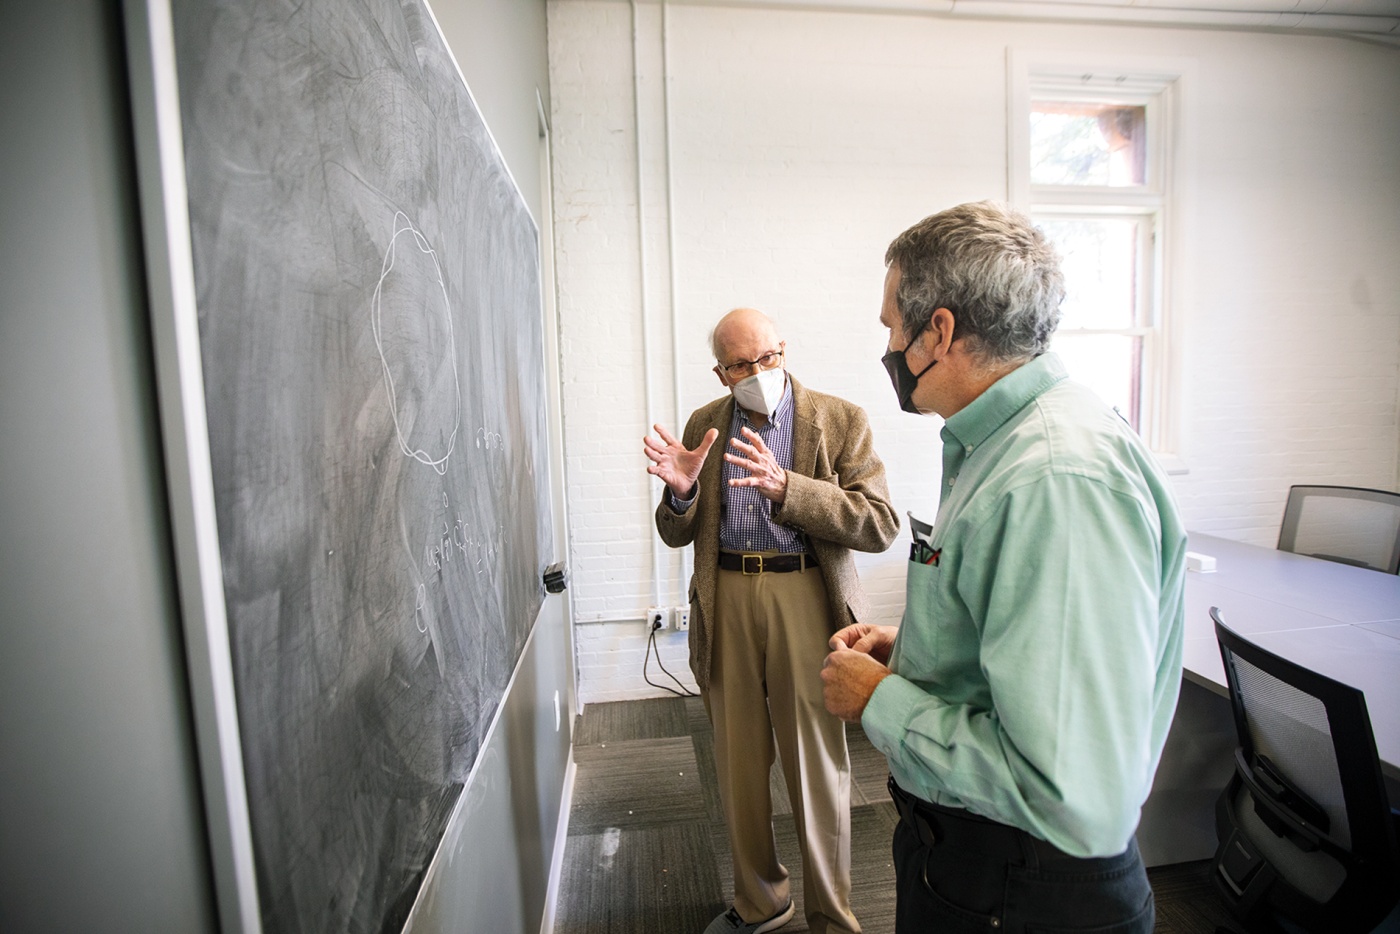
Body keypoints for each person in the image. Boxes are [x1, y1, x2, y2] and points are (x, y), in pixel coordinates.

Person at [821, 201, 1187, 934]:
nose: (889, 346)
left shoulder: (1056, 477)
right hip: (977, 863)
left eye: (893, 327)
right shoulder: (998, 446)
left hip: (1024, 888)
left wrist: (882, 701)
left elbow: (1072, 792)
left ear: (941, 331)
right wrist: (921, 650)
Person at [644, 307, 899, 934]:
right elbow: (675, 532)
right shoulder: (706, 422)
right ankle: (762, 903)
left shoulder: (838, 419)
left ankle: (832, 916)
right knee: (737, 760)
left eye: (767, 358)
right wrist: (680, 493)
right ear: (721, 371)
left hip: (806, 596)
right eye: (740, 364)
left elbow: (880, 523)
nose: (757, 372)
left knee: (816, 764)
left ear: (783, 351)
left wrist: (790, 489)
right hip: (727, 594)